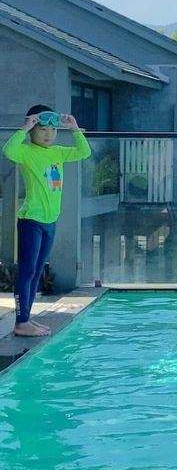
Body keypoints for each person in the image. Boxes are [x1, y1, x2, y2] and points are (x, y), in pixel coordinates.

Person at [2, 105, 91, 337]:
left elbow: (84, 152)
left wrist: (74, 129)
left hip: (50, 222)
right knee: (27, 271)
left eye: (52, 129)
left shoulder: (58, 152)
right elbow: (8, 151)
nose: (49, 134)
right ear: (33, 130)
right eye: (42, 129)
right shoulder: (26, 151)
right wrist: (25, 127)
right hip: (31, 220)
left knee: (37, 270)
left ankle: (27, 319)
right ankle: (21, 322)